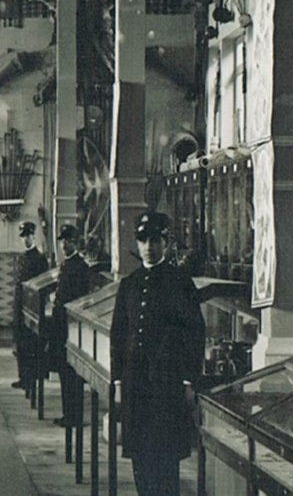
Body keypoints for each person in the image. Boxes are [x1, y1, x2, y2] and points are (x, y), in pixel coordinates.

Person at [110, 211, 206, 496]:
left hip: (167, 385)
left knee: (165, 461)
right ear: (137, 245)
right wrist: (117, 380)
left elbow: (195, 334)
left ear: (165, 243)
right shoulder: (130, 284)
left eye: (155, 240)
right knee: (139, 457)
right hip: (135, 384)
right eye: (143, 240)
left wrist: (189, 380)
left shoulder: (180, 283)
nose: (149, 246)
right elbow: (118, 334)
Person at [50, 224, 90, 427]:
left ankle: (74, 415)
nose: (64, 244)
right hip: (61, 326)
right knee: (65, 373)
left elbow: (80, 300)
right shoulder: (66, 265)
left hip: (71, 328)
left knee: (72, 375)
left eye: (68, 240)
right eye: (63, 240)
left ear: (75, 242)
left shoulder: (80, 267)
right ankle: (68, 413)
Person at [13, 221, 49, 389]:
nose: (25, 239)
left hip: (32, 308)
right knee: (20, 342)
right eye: (23, 236)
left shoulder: (39, 259)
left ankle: (30, 379)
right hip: (20, 305)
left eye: (28, 236)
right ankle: (23, 377)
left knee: (29, 344)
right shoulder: (22, 257)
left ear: (33, 236)